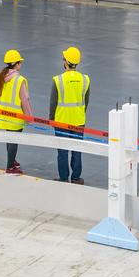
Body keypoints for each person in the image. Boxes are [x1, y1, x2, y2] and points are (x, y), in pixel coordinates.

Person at [49, 46, 90, 185]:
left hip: (61, 121)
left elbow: (53, 102)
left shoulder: (57, 80)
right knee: (77, 150)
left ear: (65, 61)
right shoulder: (85, 79)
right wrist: (79, 114)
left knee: (62, 151)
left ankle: (63, 177)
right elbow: (86, 101)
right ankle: (76, 178)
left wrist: (51, 119)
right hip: (79, 120)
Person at [0, 49, 33, 175]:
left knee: (9, 138)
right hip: (16, 116)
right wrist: (29, 118)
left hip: (4, 114)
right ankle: (10, 167)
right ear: (16, 64)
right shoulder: (19, 80)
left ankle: (12, 160)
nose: (21, 64)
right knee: (14, 140)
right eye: (20, 62)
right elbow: (24, 101)